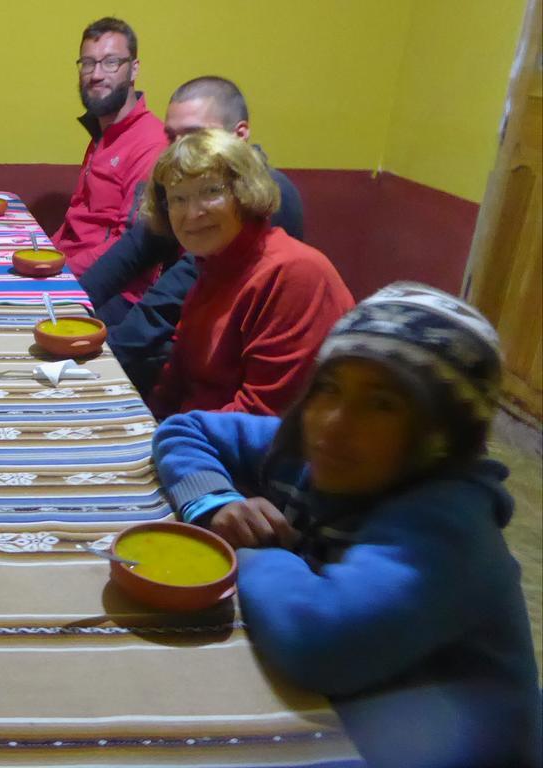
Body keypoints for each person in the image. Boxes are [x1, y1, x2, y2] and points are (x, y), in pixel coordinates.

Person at [152, 283, 542, 768]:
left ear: (443, 436)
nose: (335, 421)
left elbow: (318, 643)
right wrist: (217, 502)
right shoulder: (313, 448)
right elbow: (183, 429)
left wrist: (253, 552)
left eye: (382, 404)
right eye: (330, 389)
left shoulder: (448, 526)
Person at [79, 77, 304, 395]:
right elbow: (134, 249)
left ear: (239, 135)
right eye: (172, 137)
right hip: (189, 346)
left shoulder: (264, 195)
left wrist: (100, 362)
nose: (179, 150)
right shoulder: (186, 185)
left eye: (194, 135)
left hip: (229, 365)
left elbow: (175, 294)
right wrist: (70, 306)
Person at [144, 129, 353, 418]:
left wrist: (171, 438)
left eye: (211, 191)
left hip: (243, 453)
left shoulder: (293, 273)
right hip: (196, 437)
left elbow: (261, 416)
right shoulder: (214, 266)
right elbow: (174, 383)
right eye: (178, 199)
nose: (192, 214)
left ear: (245, 193)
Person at [51, 17, 167, 278]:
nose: (96, 75)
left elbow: (128, 246)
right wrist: (42, 255)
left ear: (134, 69)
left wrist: (56, 272)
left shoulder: (151, 143)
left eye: (111, 62)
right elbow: (76, 218)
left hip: (112, 290)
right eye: (88, 63)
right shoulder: (102, 132)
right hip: (68, 271)